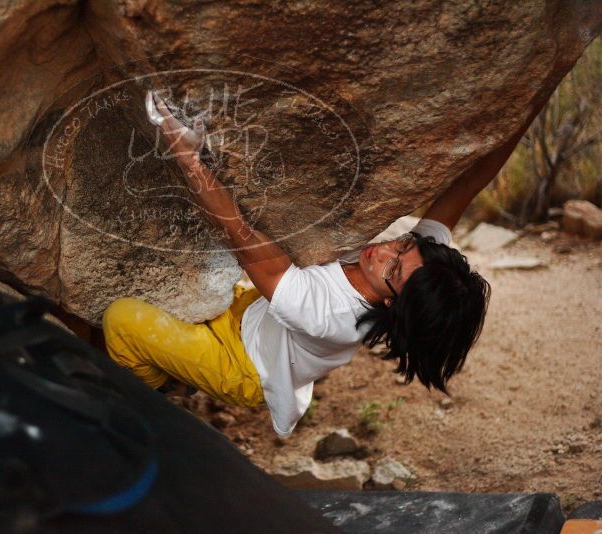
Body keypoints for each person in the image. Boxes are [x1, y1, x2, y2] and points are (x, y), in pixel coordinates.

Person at [103, 90, 530, 437]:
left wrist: (188, 157)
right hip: (254, 308)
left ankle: (152, 404)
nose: (383, 252)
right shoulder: (417, 265)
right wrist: (528, 103)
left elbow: (242, 236)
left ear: (390, 306)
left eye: (392, 270)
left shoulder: (330, 315)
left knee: (123, 321)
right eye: (401, 247)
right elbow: (471, 181)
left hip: (241, 363)